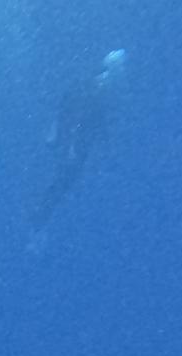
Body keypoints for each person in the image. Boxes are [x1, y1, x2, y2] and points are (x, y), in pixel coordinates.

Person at [31, 48, 128, 232]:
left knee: (63, 178)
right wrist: (72, 146)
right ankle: (40, 217)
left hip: (71, 139)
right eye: (120, 70)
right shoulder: (95, 91)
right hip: (73, 141)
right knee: (64, 178)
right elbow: (82, 118)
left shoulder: (91, 88)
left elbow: (91, 118)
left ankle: (41, 215)